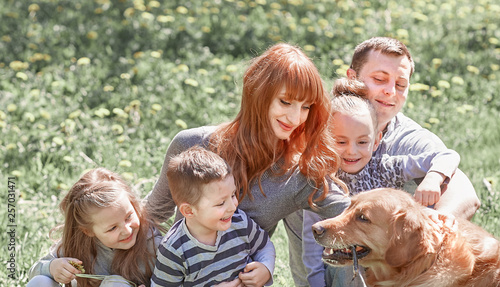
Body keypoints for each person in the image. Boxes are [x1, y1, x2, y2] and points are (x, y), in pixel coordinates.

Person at [144, 43, 351, 287]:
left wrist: (266, 267)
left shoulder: (298, 175)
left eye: (305, 107)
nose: (296, 118)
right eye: (285, 102)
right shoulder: (193, 144)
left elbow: (353, 215)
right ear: (258, 93)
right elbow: (150, 216)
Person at [303, 37, 481, 286]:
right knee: (305, 181)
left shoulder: (407, 142)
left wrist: (423, 228)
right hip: (322, 257)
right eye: (379, 79)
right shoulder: (313, 126)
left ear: (375, 142)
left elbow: (464, 191)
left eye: (400, 84)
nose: (390, 91)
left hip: (381, 256)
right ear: (352, 77)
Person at [151, 146, 275, 287]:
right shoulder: (174, 250)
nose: (233, 206)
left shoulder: (240, 221)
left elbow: (264, 246)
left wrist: (266, 268)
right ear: (189, 211)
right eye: (221, 203)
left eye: (233, 195)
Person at [28, 168, 162, 287]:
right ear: (88, 231)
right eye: (112, 228)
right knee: (40, 282)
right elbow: (33, 272)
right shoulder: (78, 247)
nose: (127, 230)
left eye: (128, 217)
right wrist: (52, 267)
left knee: (116, 284)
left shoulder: (153, 247)